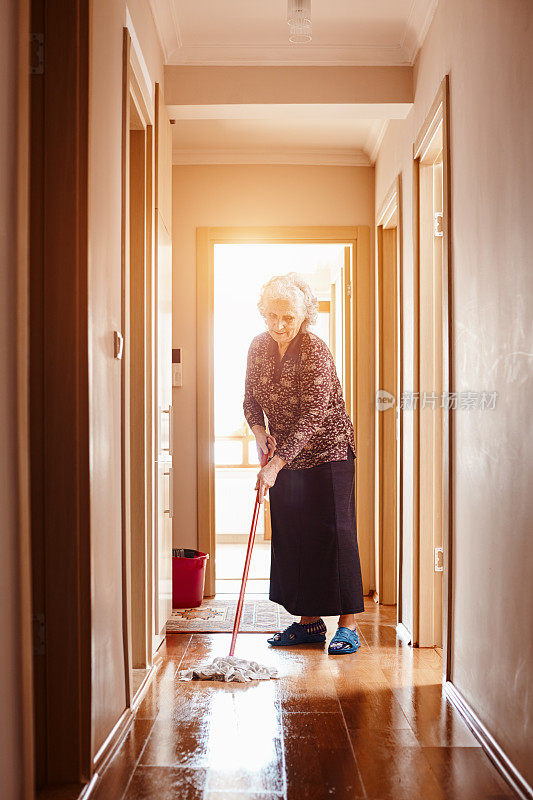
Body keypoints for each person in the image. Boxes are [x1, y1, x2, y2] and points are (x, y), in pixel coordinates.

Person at [243, 272, 364, 654]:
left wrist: (275, 464)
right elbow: (250, 399)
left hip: (329, 453)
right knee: (295, 536)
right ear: (263, 313)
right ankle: (308, 624)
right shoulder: (258, 347)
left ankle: (349, 625)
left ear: (304, 316)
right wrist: (260, 434)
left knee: (335, 536)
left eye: (288, 318)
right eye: (272, 316)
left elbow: (314, 413)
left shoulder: (314, 349)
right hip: (284, 456)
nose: (279, 325)